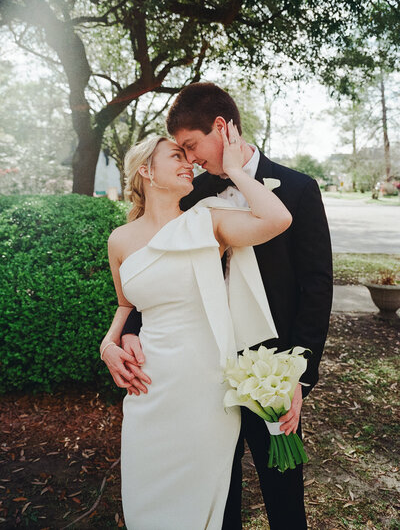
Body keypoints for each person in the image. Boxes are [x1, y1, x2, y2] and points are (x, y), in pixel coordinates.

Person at [120, 83, 333, 529]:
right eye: (181, 153)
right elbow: (156, 272)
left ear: (221, 127)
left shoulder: (297, 187)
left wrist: (300, 375)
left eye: (193, 147)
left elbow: (316, 287)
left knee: (283, 491)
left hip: (271, 369)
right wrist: (123, 335)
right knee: (219, 491)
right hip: (203, 372)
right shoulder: (191, 197)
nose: (191, 160)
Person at [100, 127, 292, 530]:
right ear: (147, 172)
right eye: (176, 156)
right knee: (145, 503)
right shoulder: (119, 240)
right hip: (149, 388)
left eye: (188, 156)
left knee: (202, 505)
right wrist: (107, 342)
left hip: (205, 390)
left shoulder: (209, 221)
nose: (189, 162)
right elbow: (125, 303)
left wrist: (238, 171)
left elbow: (277, 218)